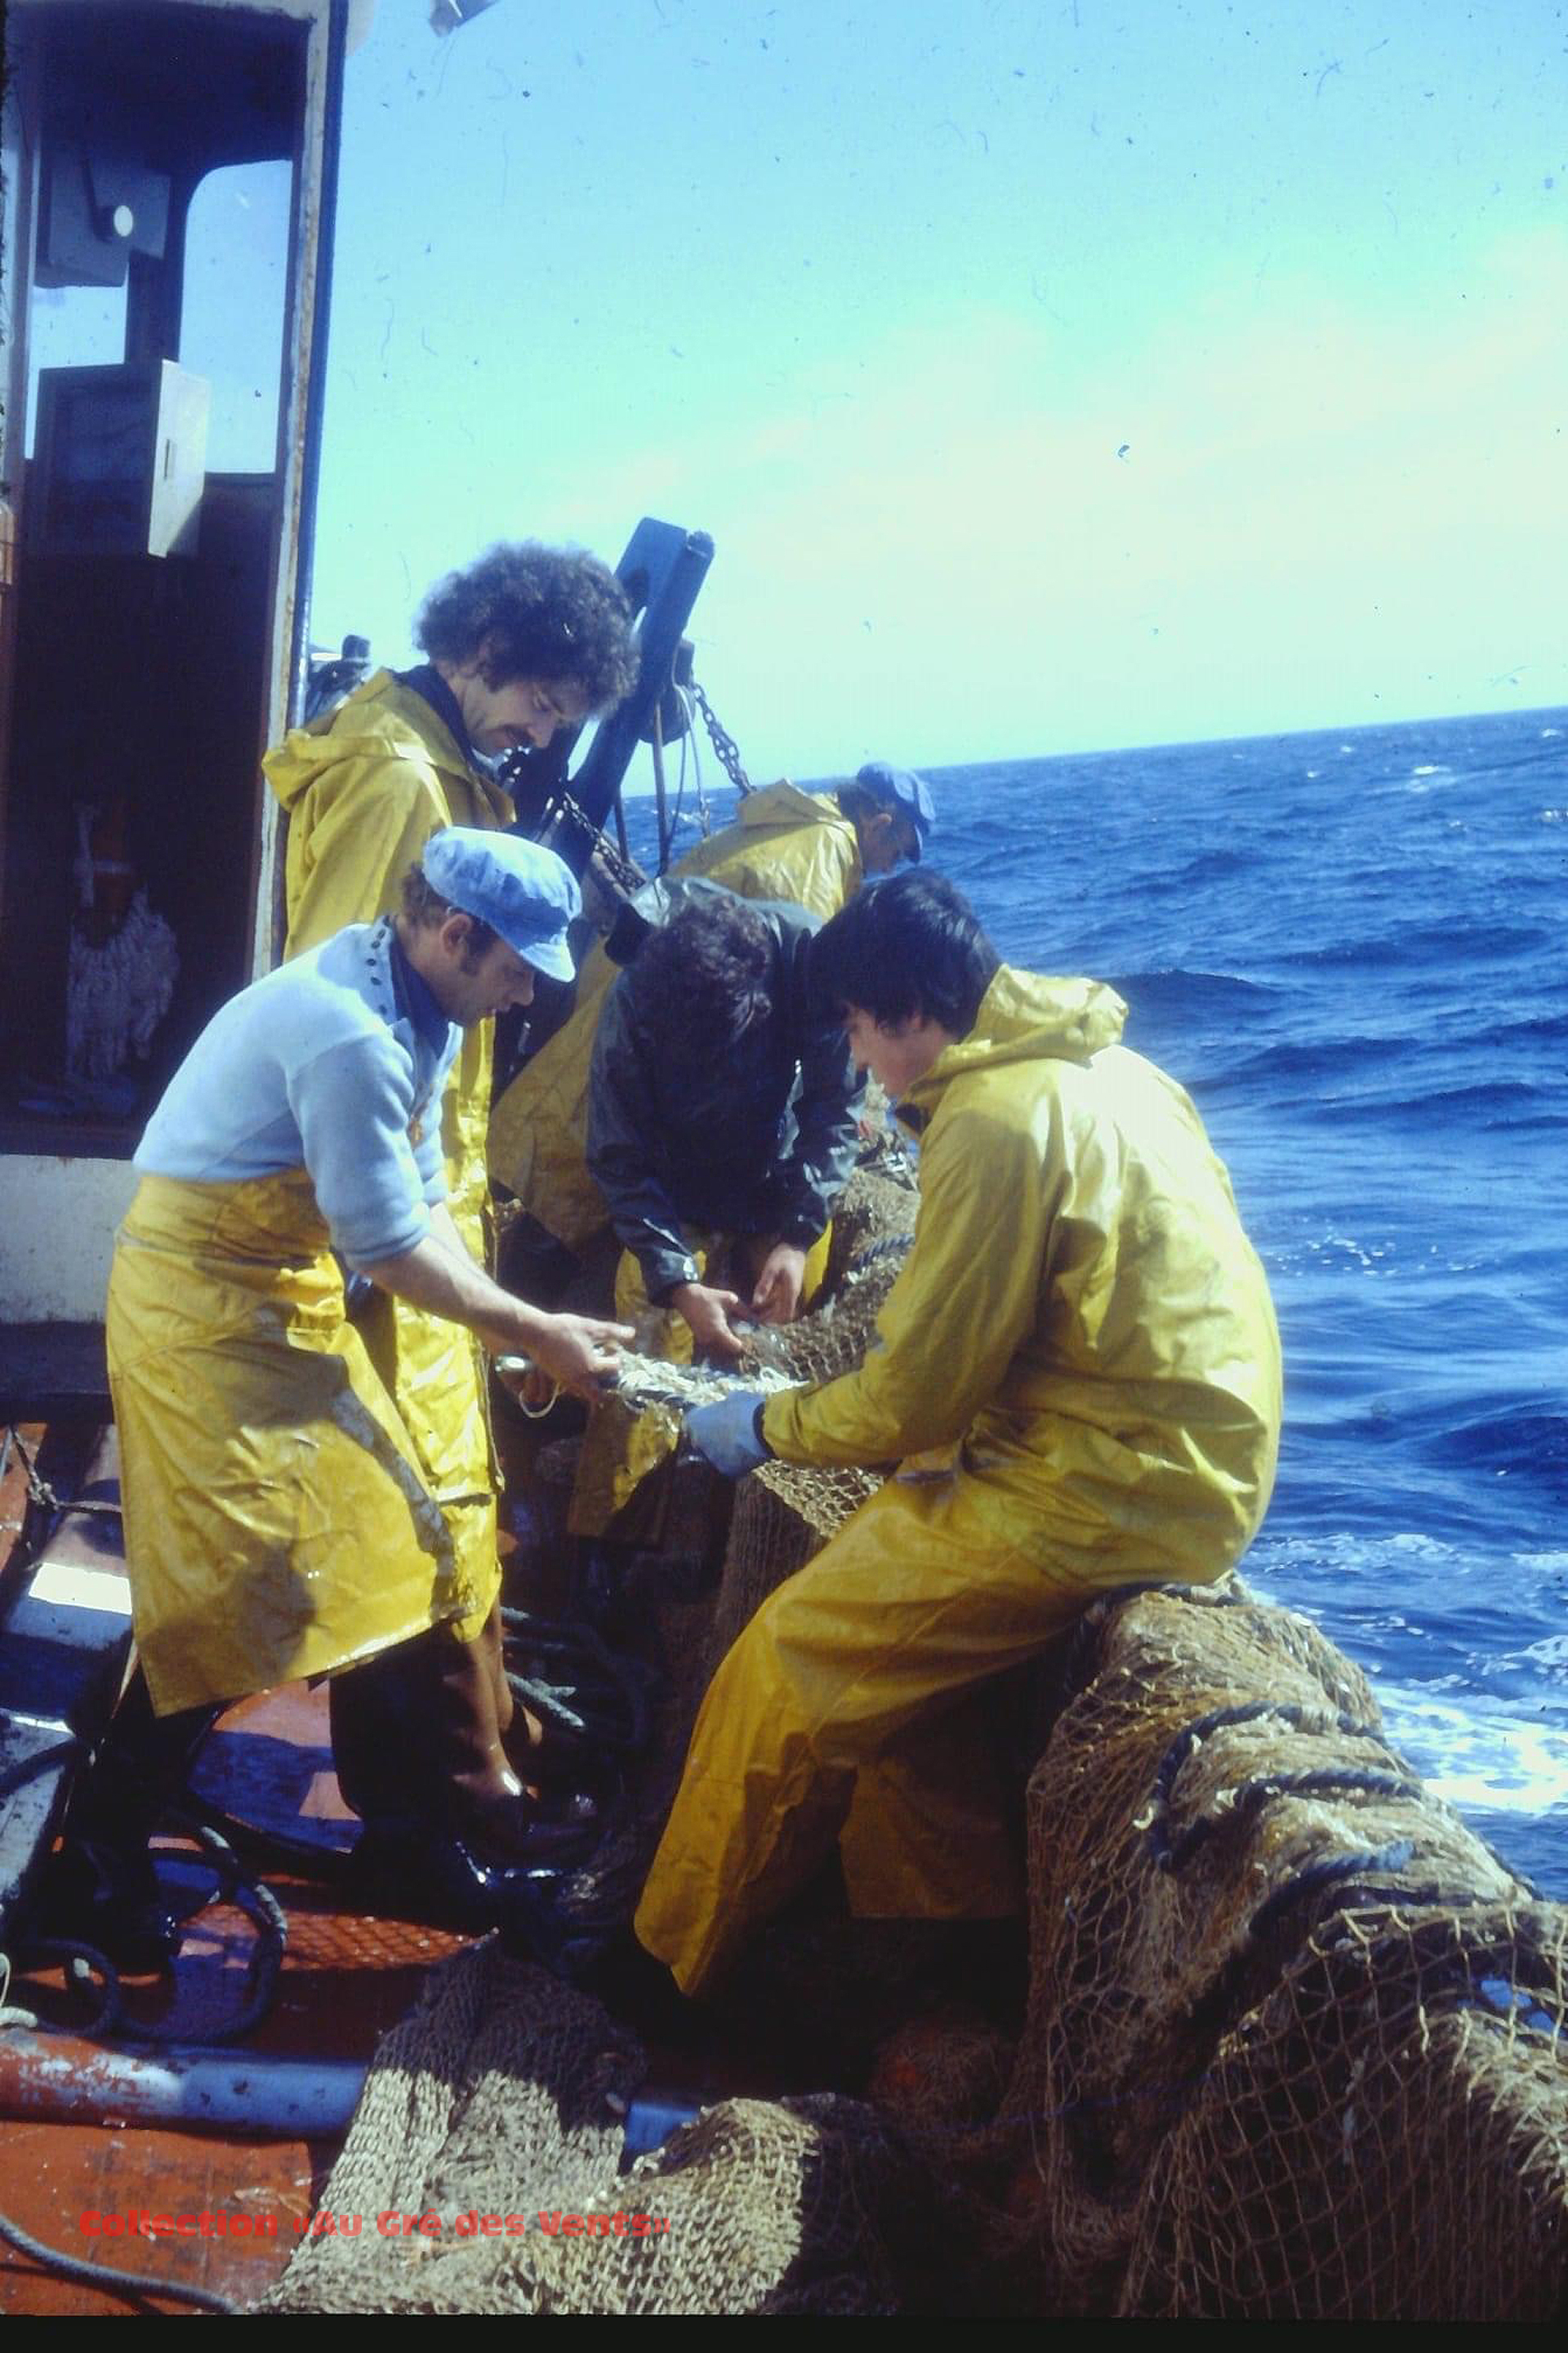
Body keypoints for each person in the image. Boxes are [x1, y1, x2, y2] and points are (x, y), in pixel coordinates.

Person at [634, 871, 1284, 1997]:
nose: (857, 1059)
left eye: (856, 1029)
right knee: (892, 1649)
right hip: (1188, 1457)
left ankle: (663, 1964)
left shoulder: (990, 1121)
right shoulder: (1115, 1067)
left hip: (1109, 1487)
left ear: (909, 1017)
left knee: (783, 1668)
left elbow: (915, 1401)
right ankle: (940, 1938)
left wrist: (765, 1426)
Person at [51, 831, 632, 1965]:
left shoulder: (418, 1005)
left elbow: (419, 1197)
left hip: (280, 1290)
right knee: (238, 1583)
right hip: (201, 1307)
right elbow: (386, 1244)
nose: (529, 994)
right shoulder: (352, 1035)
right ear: (456, 935)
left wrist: (513, 1329)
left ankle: (409, 1837)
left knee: (401, 1541)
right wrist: (534, 1332)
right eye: (520, 968)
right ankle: (97, 1867)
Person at [264, 545, 637, 1813]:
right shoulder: (404, 782)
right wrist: (377, 1229)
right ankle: (438, 1805)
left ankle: (474, 1757)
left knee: (436, 1482)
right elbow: (341, 1016)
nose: (546, 734)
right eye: (543, 702)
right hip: (379, 1202)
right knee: (416, 1491)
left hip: (414, 1182)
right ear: (483, 653)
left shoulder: (437, 759)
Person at [487, 761, 933, 1261]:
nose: (890, 866)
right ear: (880, 824)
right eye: (897, 851)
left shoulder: (796, 825)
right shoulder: (819, 859)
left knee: (569, 1133)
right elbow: (801, 1005)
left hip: (640, 987)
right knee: (584, 1153)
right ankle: (534, 1255)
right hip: (668, 1014)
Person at [568, 880, 864, 1539]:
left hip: (775, 1179)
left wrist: (796, 1236)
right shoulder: (633, 1002)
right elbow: (618, 1158)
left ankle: (743, 1501)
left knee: (794, 1305)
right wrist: (678, 1282)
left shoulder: (807, 961)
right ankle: (608, 1531)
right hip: (677, 1193)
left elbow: (835, 1108)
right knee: (645, 1319)